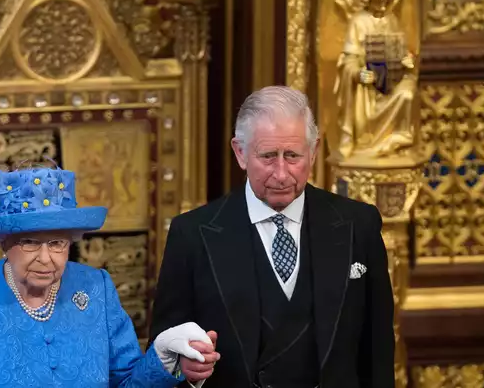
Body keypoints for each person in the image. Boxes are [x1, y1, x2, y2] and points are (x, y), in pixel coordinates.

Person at [150, 86, 394, 388]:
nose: (281, 173)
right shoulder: (192, 235)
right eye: (268, 156)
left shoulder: (359, 225)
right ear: (240, 152)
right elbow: (164, 350)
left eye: (292, 156)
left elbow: (378, 350)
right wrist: (184, 367)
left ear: (314, 151)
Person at [0, 166, 219, 387]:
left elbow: (128, 382)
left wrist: (162, 358)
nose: (46, 257)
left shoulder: (95, 287)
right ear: (5, 243)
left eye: (57, 243)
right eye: (31, 243)